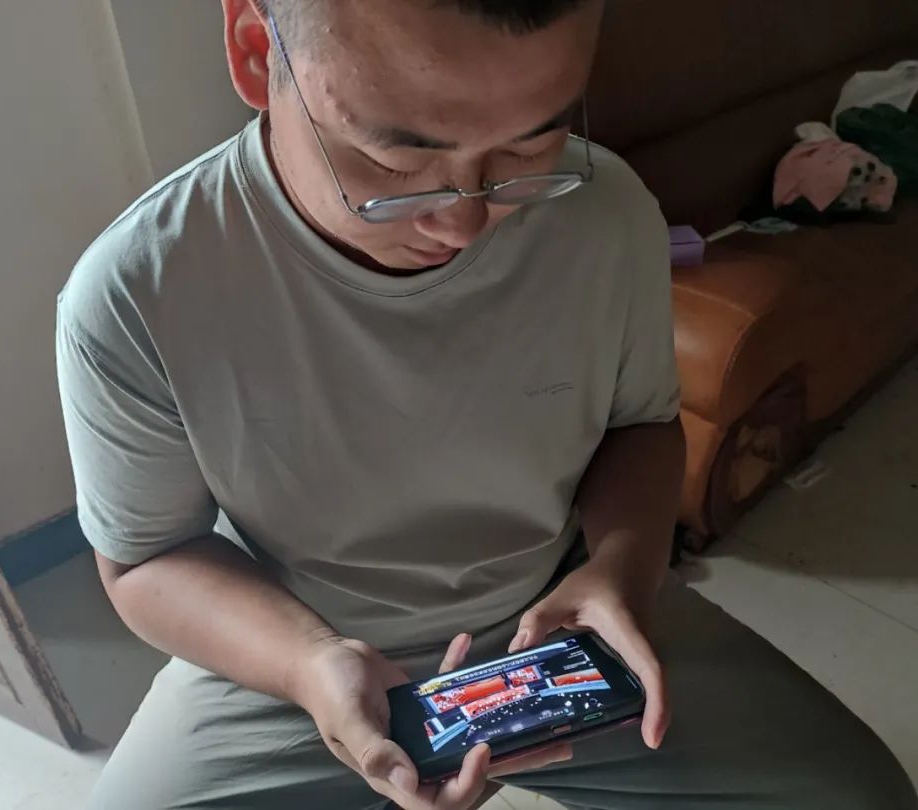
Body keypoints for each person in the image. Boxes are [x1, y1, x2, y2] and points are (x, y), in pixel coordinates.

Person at [56, 1, 917, 808]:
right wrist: (308, 663)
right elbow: (146, 559)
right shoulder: (142, 289)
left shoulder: (604, 211)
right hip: (292, 644)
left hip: (563, 614)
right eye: (397, 164)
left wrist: (621, 571)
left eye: (528, 147)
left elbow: (640, 425)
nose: (466, 223)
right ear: (255, 49)